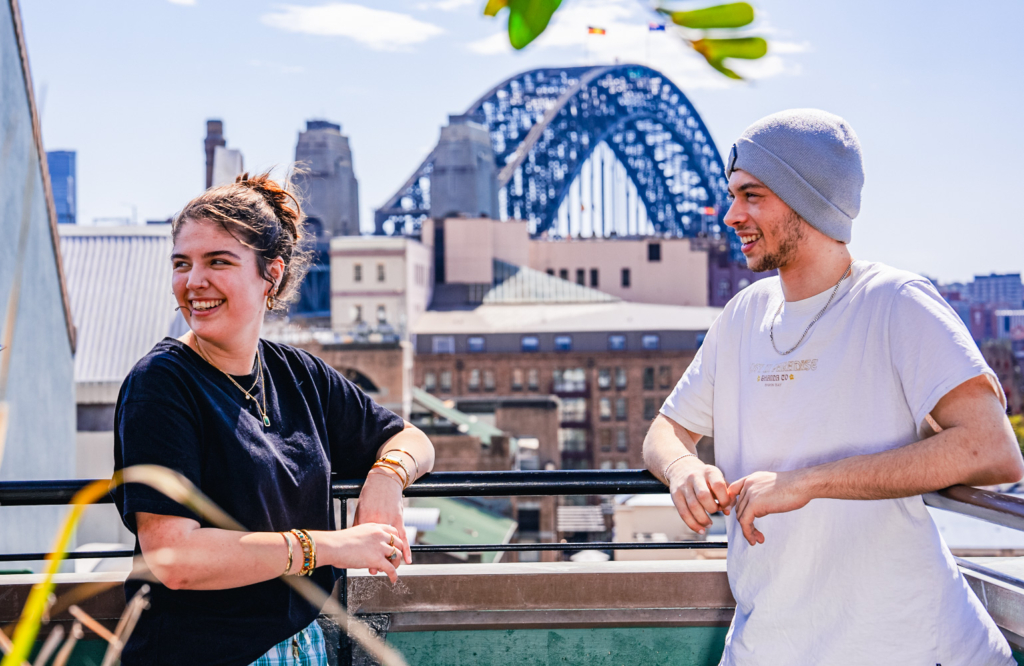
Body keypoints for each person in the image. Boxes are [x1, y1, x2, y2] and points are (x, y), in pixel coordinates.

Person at [643, 109, 1024, 665]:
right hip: (767, 646)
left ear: (807, 197)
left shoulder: (896, 302)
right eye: (734, 196)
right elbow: (666, 430)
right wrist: (683, 470)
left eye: (752, 196)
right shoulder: (742, 315)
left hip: (909, 647)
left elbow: (991, 450)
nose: (731, 215)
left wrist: (808, 483)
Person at [112, 173, 435, 666]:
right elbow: (174, 559)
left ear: (272, 275)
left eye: (218, 261)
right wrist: (327, 547)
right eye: (182, 264)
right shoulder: (160, 385)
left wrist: (386, 479)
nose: (193, 281)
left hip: (297, 647)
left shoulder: (297, 373)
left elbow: (411, 438)